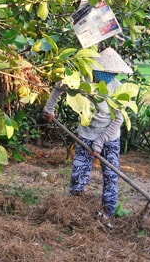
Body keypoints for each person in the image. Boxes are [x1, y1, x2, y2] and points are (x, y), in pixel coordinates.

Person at [43, 47, 133, 220]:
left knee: (111, 177)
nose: (110, 75)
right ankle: (73, 211)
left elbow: (118, 120)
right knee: (79, 175)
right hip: (85, 135)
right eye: (107, 72)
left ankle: (108, 214)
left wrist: (100, 142)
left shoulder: (118, 88)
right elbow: (59, 86)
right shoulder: (82, 82)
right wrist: (49, 108)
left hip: (109, 138)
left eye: (113, 72)